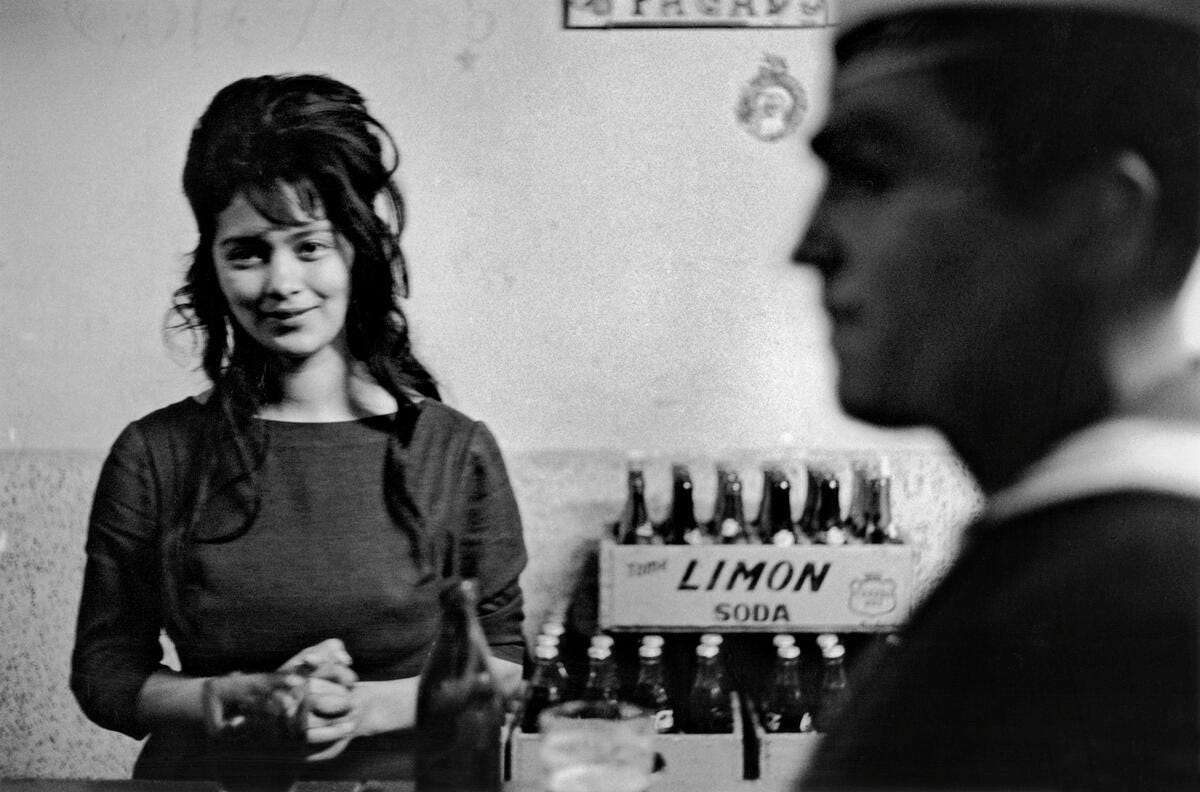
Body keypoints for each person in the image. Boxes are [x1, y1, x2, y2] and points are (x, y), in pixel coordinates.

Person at [70, 74, 527, 783]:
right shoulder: (153, 454)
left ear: (359, 251)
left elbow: (501, 664)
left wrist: (355, 708)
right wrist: (230, 701)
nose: (281, 281)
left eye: (309, 246)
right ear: (213, 268)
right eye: (247, 251)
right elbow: (105, 671)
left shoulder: (455, 450)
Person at [792, 1, 1200, 788]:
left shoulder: (1116, 616)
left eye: (870, 174)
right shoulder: (1084, 558)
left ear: (1098, 219)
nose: (810, 245)